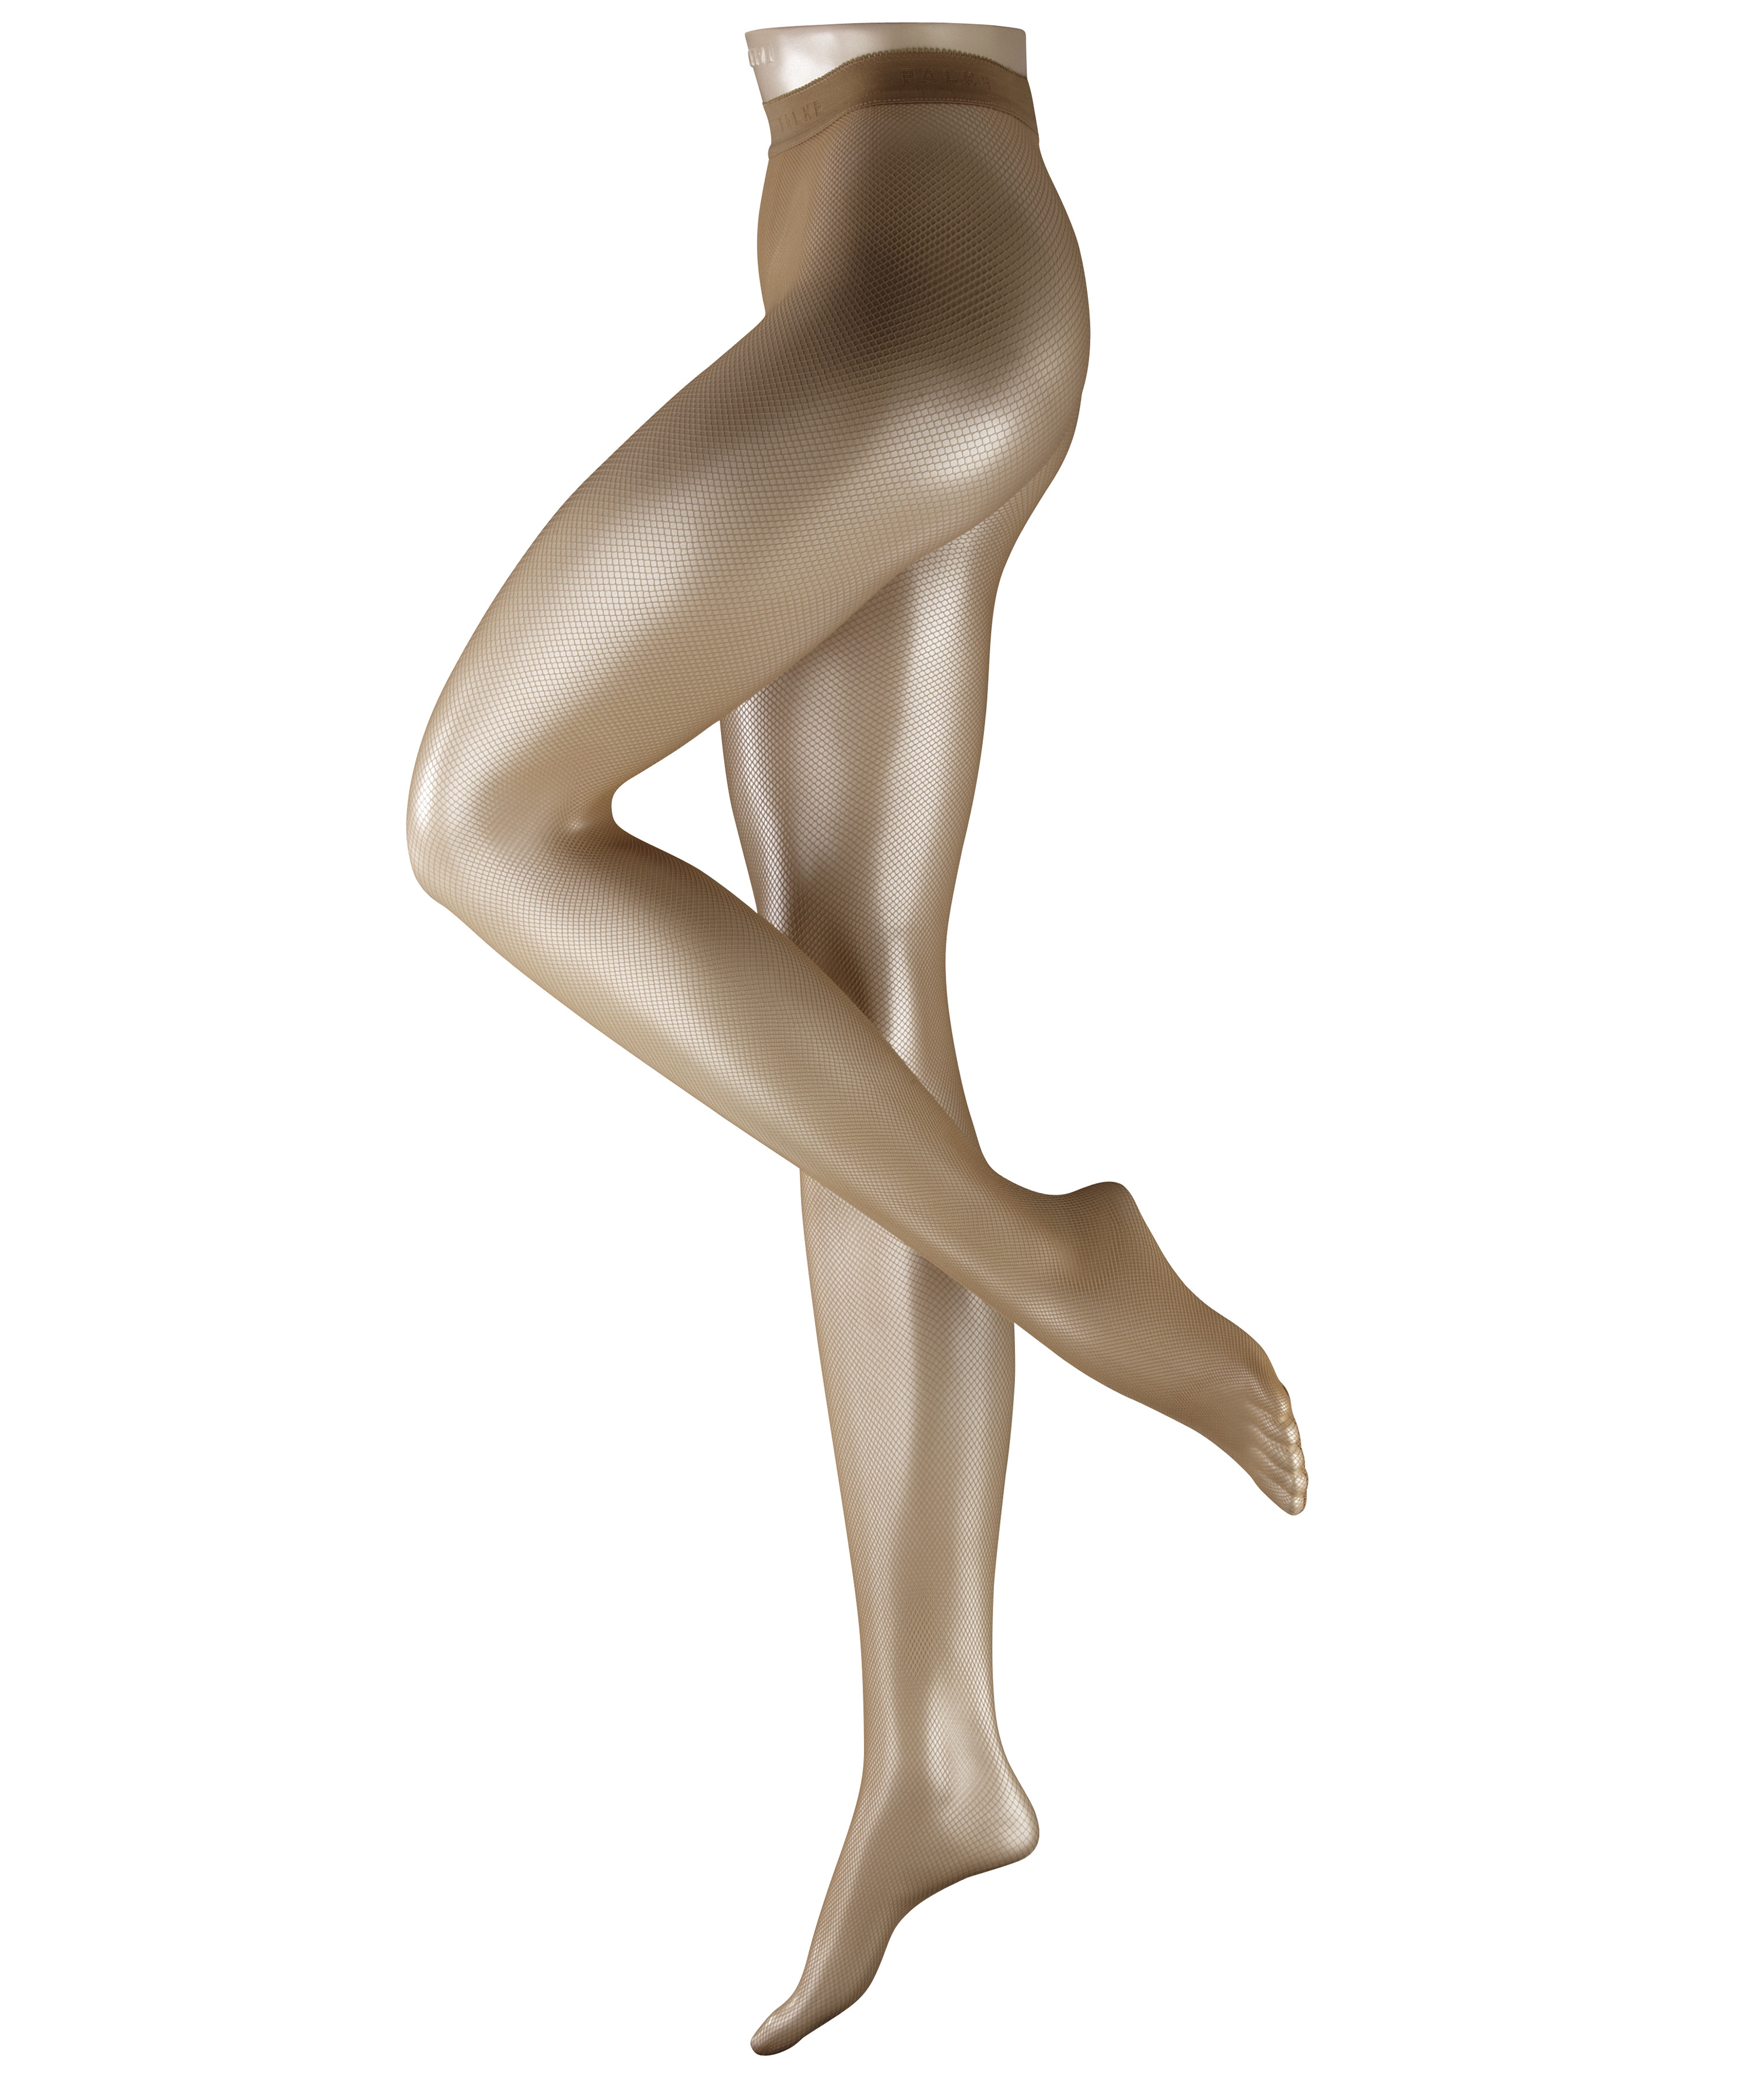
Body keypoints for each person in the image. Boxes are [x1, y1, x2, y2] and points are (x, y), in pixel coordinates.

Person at [407, 20, 1307, 2054]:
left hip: (915, 305)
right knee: (852, 989)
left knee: (482, 815)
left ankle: (1063, 1267)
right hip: (899, 276)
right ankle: (938, 1746)